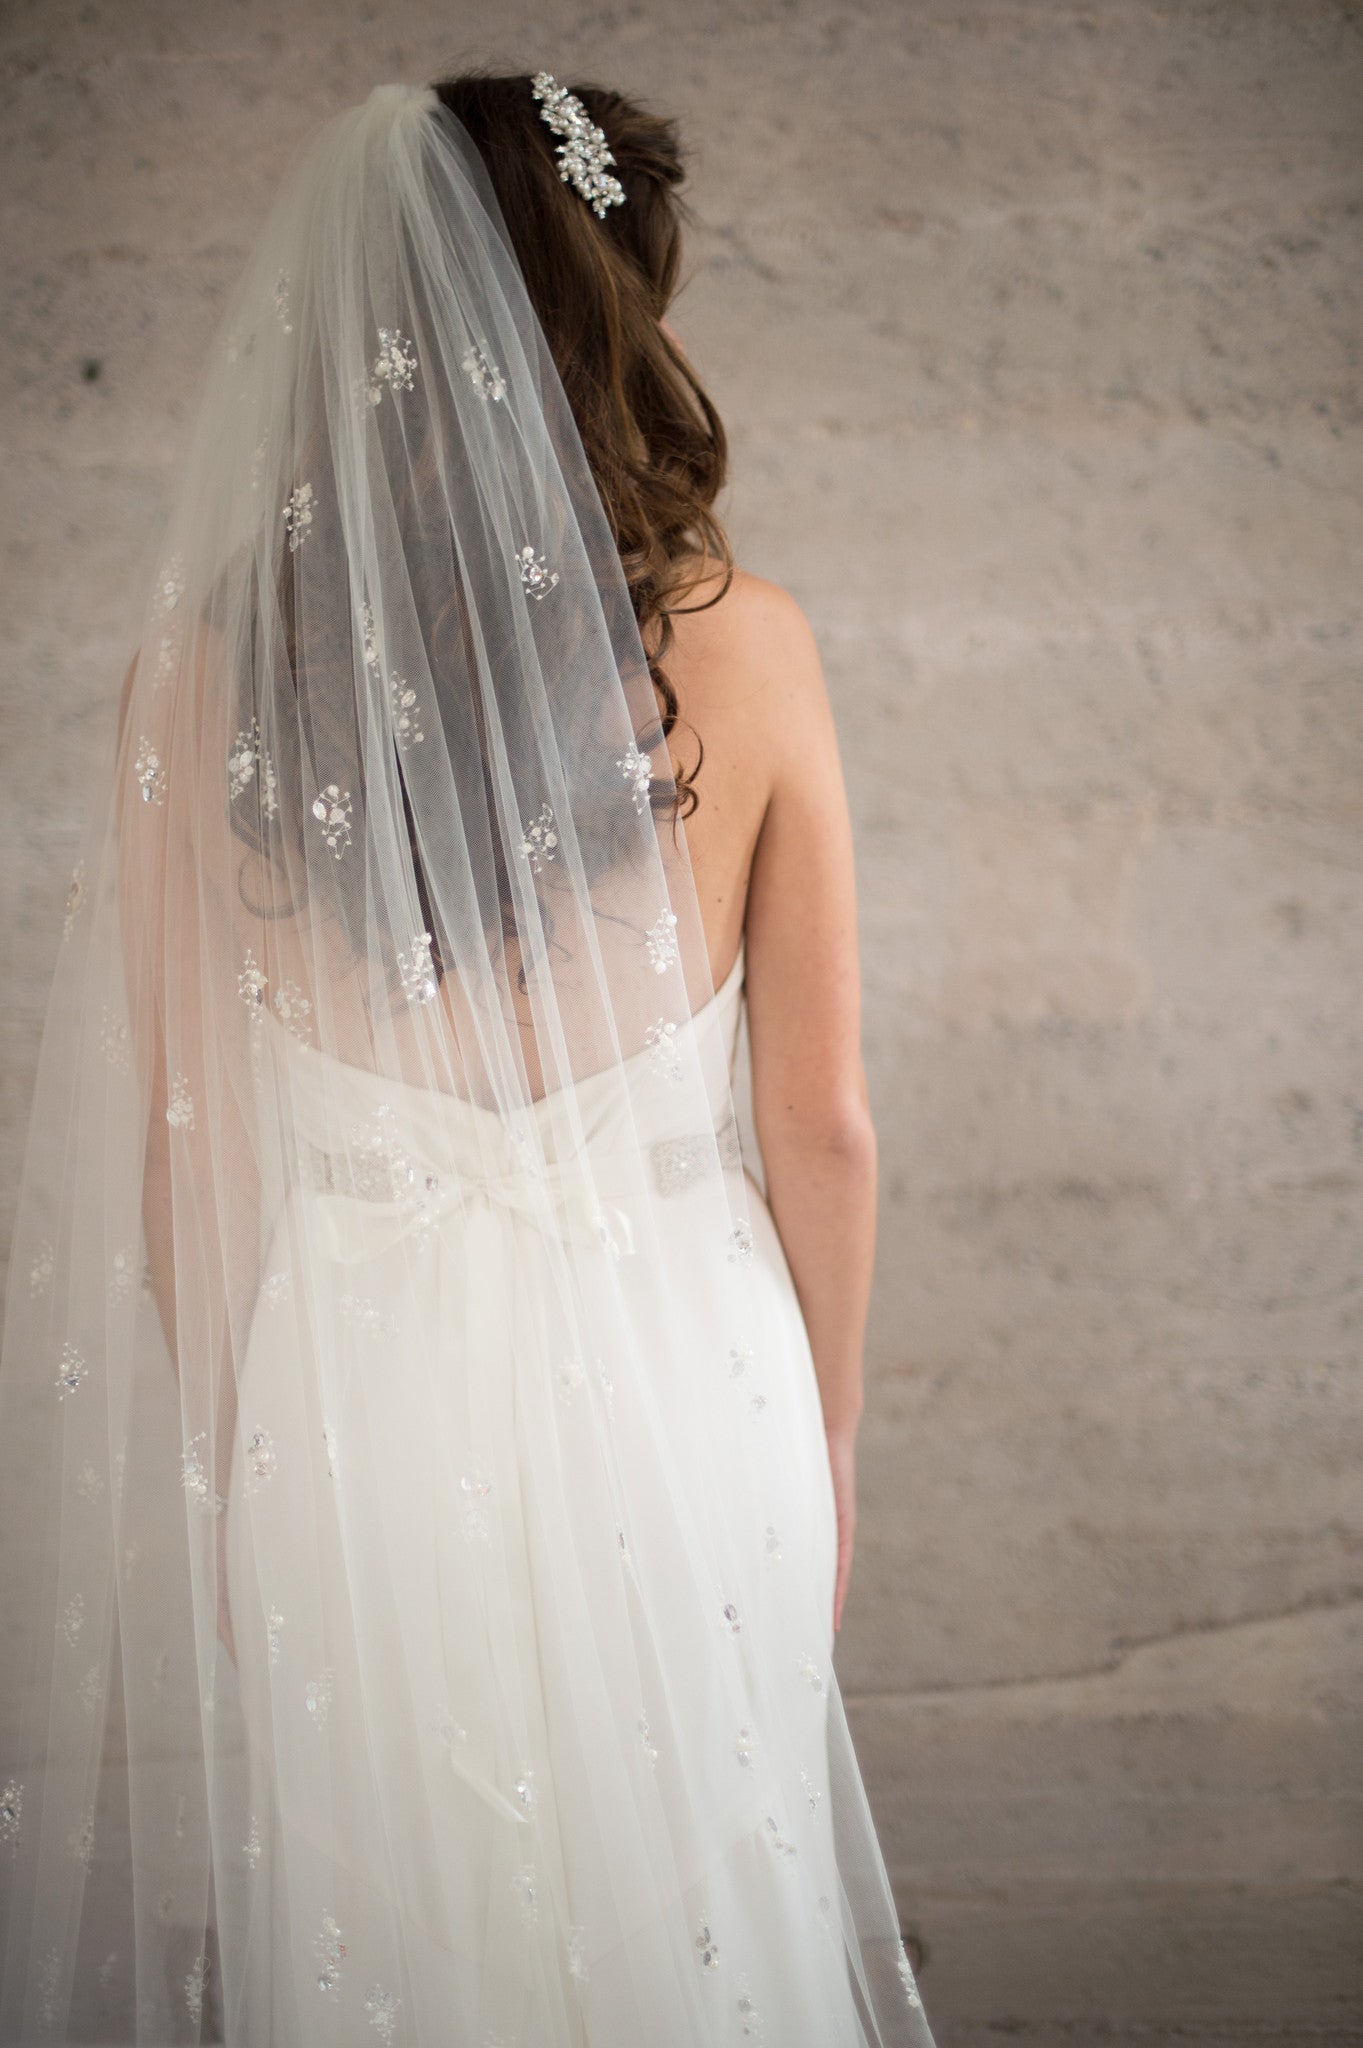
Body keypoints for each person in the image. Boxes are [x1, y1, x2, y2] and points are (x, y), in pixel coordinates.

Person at [0, 71, 934, 2046]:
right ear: (604, 322)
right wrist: (830, 1437)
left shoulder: (195, 678)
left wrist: (251, 1467)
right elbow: (824, 1126)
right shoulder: (746, 645)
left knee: (392, 1936)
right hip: (689, 1378)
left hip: (357, 1396)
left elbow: (189, 1165)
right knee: (704, 1908)